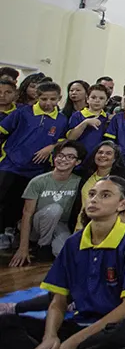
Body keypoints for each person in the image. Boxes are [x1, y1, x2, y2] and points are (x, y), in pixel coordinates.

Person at [0, 177, 125, 349]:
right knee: (4, 322)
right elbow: (58, 301)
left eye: (105, 195)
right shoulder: (73, 243)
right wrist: (50, 337)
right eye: (91, 194)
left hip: (122, 325)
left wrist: (71, 342)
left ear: (122, 204)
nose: (94, 200)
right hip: (80, 322)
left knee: (120, 335)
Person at [0, 81, 68, 243]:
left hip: (35, 171)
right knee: (2, 198)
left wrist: (51, 147)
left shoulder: (61, 119)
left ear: (59, 98)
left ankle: (10, 233)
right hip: (10, 165)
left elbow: (62, 141)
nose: (48, 103)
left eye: (52, 99)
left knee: (20, 203)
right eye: (44, 99)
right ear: (37, 97)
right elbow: (3, 130)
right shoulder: (23, 113)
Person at [9, 141, 84, 267]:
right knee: (54, 209)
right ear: (54, 158)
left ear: (77, 162)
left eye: (70, 157)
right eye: (60, 155)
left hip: (60, 224)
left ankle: (48, 246)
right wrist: (23, 247)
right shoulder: (38, 181)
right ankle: (42, 247)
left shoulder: (79, 182)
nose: (63, 159)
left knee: (65, 253)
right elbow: (27, 214)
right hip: (35, 225)